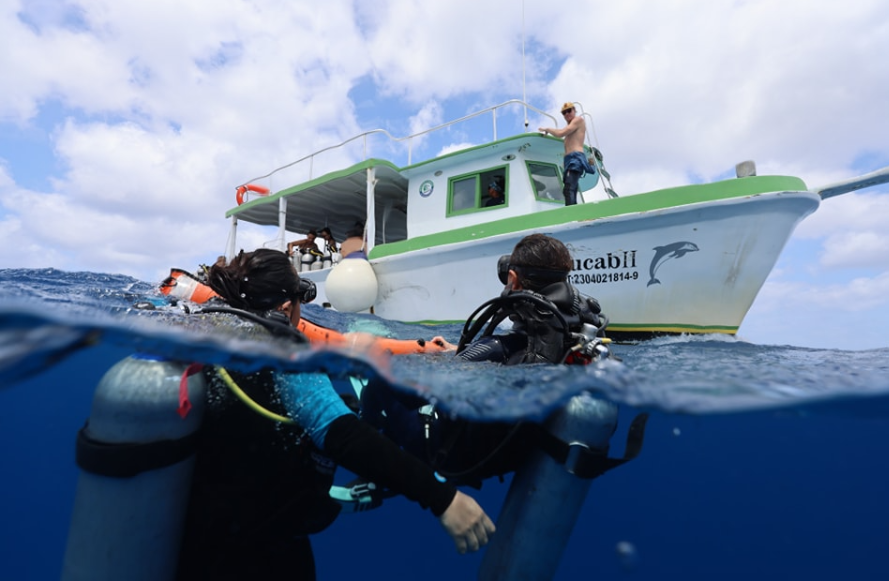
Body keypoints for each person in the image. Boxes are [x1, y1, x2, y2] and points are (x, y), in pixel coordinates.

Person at [177, 249, 494, 580]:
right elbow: (342, 434)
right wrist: (443, 498)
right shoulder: (282, 351)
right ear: (286, 307)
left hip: (195, 544)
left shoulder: (208, 336)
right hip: (259, 551)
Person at [360, 234, 615, 486]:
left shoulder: (496, 348)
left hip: (452, 456)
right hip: (508, 457)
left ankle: (371, 466)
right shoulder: (575, 340)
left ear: (513, 280)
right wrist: (459, 352)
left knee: (379, 378)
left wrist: (433, 362)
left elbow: (413, 393)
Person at [538, 102, 596, 206]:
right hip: (569, 160)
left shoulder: (578, 120)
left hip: (575, 158)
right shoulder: (570, 128)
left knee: (569, 189)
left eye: (569, 111)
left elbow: (560, 134)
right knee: (570, 188)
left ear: (574, 110)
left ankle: (573, 214)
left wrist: (547, 129)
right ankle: (575, 212)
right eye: (564, 112)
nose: (567, 114)